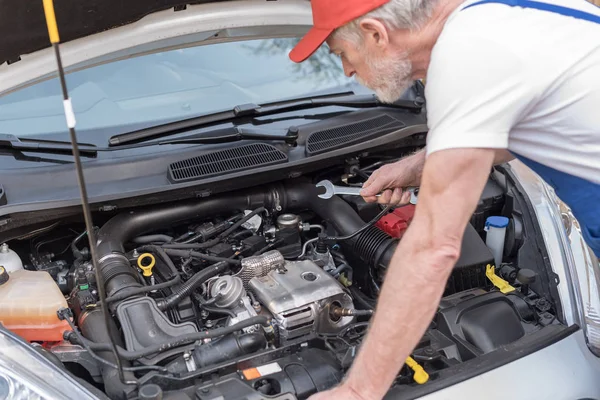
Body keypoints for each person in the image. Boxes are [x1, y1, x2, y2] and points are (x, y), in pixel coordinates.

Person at [288, 0, 600, 399]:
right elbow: (520, 125)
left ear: (376, 34)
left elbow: (433, 247)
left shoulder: (465, 57)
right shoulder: (499, 16)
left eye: (342, 55)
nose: (348, 71)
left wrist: (359, 391)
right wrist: (420, 166)